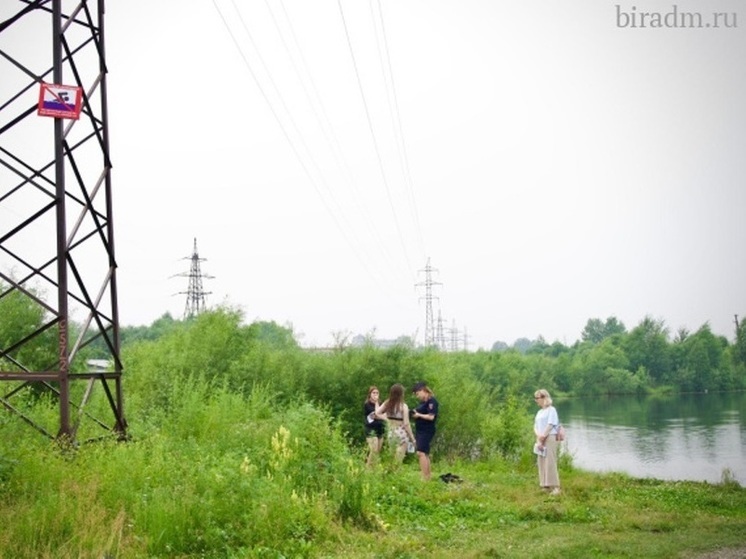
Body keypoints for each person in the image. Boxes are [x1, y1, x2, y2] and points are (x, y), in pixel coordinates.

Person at [377, 383, 416, 464]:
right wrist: (412, 438)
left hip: (391, 432)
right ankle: (396, 474)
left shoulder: (387, 403)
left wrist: (386, 418)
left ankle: (390, 474)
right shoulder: (403, 406)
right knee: (398, 461)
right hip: (401, 432)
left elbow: (377, 413)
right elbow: (406, 423)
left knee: (392, 458)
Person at [533, 388, 561, 495]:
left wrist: (544, 436)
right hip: (540, 438)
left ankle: (555, 486)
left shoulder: (551, 410)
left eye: (537, 398)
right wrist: (538, 436)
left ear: (544, 397)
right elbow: (535, 425)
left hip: (549, 437)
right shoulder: (539, 412)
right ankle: (545, 484)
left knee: (550, 461)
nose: (536, 400)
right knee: (541, 461)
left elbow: (551, 424)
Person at [411, 381, 439, 481]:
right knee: (425, 453)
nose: (417, 396)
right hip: (420, 429)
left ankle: (424, 477)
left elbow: (431, 417)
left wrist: (419, 415)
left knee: (420, 452)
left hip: (427, 430)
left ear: (423, 390)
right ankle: (428, 476)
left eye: (418, 394)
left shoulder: (432, 401)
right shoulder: (423, 402)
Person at [363, 386, 385, 466]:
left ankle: (373, 470)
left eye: (377, 393)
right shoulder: (367, 404)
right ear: (370, 394)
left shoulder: (381, 403)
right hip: (371, 429)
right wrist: (376, 403)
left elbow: (385, 414)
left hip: (380, 429)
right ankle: (367, 469)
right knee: (373, 450)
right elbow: (376, 414)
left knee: (377, 452)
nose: (375, 394)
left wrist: (381, 415)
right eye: (374, 393)